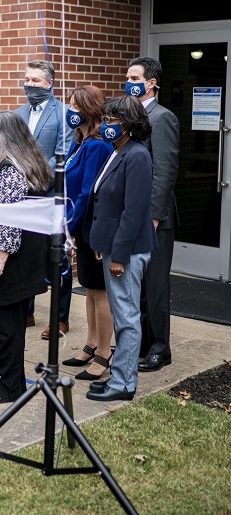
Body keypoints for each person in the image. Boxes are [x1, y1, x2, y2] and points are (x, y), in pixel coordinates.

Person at [0, 111, 52, 404]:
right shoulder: (28, 164)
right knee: (12, 322)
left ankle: (10, 387)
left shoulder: (10, 171)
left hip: (11, 260)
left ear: (7, 137)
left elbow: (8, 219)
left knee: (9, 326)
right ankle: (10, 376)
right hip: (26, 257)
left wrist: (0, 257)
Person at [84, 96, 158, 403]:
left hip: (127, 251)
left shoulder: (137, 155)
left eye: (112, 121)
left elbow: (134, 211)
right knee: (121, 312)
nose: (106, 125)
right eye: (105, 119)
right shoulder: (118, 152)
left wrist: (119, 254)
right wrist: (103, 244)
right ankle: (119, 376)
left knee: (126, 317)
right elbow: (106, 202)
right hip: (113, 246)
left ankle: (125, 383)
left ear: (129, 124)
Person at [125, 57, 180, 372]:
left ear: (152, 83)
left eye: (135, 76)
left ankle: (161, 348)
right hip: (133, 216)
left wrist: (155, 215)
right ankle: (143, 343)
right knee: (139, 285)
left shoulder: (163, 118)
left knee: (156, 286)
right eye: (128, 75)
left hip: (155, 219)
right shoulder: (131, 118)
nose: (129, 80)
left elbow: (165, 170)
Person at [60, 86, 115, 380]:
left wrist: (68, 225)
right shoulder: (78, 142)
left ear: (88, 109)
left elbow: (87, 193)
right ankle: (92, 343)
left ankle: (105, 353)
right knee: (89, 287)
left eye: (73, 107)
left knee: (100, 290)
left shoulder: (97, 145)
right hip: (78, 226)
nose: (69, 112)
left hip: (90, 225)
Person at [14, 59, 72, 334]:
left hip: (50, 194)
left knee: (56, 257)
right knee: (25, 254)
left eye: (36, 80)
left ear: (49, 83)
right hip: (22, 196)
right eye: (27, 79)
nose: (30, 84)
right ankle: (26, 312)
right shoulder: (17, 114)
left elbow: (63, 152)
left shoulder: (64, 113)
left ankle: (60, 317)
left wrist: (35, 179)